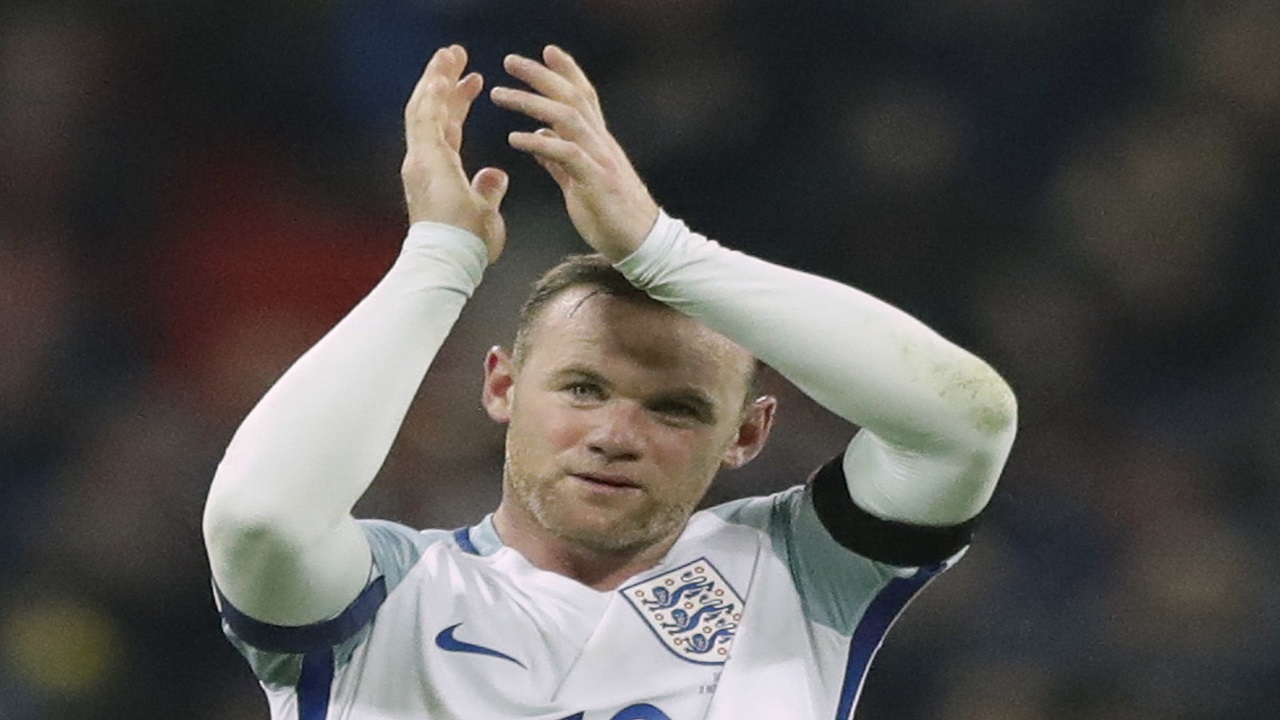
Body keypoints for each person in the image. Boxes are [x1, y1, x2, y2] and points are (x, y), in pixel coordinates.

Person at [202, 44, 1017, 720]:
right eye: (583, 389)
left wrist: (668, 250)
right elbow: (259, 519)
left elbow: (965, 424)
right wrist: (439, 257)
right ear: (501, 388)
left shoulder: (801, 574)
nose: (615, 435)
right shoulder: (385, 598)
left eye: (676, 408)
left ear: (747, 433)